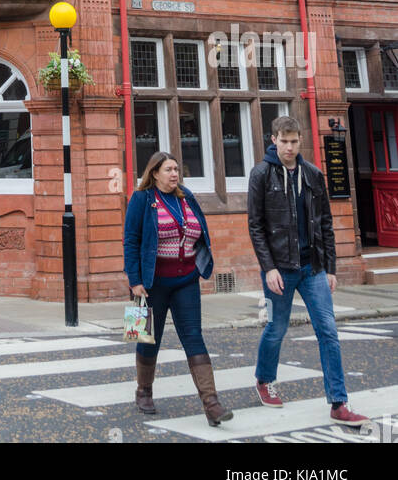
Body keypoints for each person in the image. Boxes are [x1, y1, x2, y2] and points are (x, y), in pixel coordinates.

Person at [248, 114, 367, 427]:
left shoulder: (313, 174)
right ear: (273, 139)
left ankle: (339, 402)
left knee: (328, 330)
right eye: (283, 141)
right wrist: (269, 268)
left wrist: (330, 268)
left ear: (300, 141)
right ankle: (264, 379)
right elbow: (256, 226)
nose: (289, 147)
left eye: (294, 141)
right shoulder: (261, 174)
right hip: (280, 270)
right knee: (276, 327)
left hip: (312, 267)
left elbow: (325, 223)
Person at [124, 150, 232, 427]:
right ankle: (144, 390)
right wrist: (134, 281)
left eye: (176, 170)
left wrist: (201, 262)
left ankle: (212, 403)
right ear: (155, 173)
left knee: (194, 338)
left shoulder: (187, 196)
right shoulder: (142, 199)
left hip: (186, 281)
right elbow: (131, 241)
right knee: (148, 338)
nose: (174, 174)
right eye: (169, 170)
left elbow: (199, 231)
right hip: (151, 284)